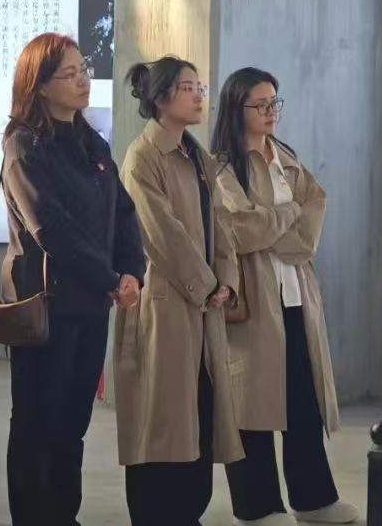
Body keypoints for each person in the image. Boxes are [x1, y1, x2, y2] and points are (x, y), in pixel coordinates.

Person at [0, 33, 144, 526]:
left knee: (72, 423)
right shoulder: (24, 144)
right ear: (39, 85)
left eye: (84, 70)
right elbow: (49, 226)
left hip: (91, 302)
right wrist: (109, 277)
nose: (83, 80)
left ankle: (63, 515)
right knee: (38, 423)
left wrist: (131, 271)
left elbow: (123, 214)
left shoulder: (90, 141)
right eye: (70, 73)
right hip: (45, 306)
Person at [211, 68, 357, 526]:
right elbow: (239, 229)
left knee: (303, 401)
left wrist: (276, 223)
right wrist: (288, 214)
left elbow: (313, 216)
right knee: (250, 403)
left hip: (295, 293)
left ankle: (313, 499)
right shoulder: (223, 166)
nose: (271, 111)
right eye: (260, 104)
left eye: (274, 102)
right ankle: (257, 507)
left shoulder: (285, 155)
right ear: (236, 108)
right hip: (254, 298)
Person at [117, 56, 244, 526]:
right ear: (161, 97)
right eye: (188, 87)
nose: (198, 96)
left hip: (202, 303)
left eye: (200, 87)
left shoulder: (195, 154)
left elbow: (221, 223)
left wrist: (226, 280)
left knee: (199, 413)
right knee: (162, 419)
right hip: (164, 305)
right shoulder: (143, 156)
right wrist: (206, 285)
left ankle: (188, 512)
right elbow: (161, 234)